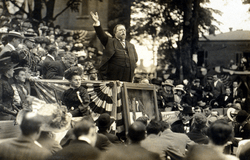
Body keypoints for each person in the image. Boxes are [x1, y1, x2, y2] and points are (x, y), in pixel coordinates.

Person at [90, 11, 138, 82]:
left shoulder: (131, 45)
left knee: (124, 91)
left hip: (128, 75)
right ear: (115, 33)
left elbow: (135, 58)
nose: (123, 32)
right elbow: (101, 35)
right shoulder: (110, 41)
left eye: (124, 30)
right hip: (113, 75)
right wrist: (97, 23)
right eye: (120, 30)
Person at [0, 53, 19, 120]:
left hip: (10, 113)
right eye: (12, 69)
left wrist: (17, 110)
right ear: (7, 70)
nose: (14, 71)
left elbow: (10, 101)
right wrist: (12, 112)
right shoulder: (1, 83)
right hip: (3, 115)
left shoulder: (8, 82)